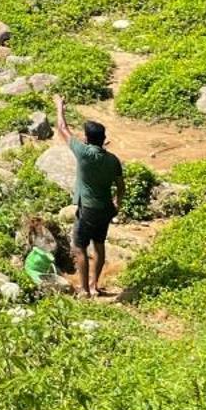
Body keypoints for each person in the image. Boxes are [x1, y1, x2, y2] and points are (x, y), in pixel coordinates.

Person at [54, 94, 124, 298]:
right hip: (105, 209)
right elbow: (121, 185)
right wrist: (117, 204)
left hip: (87, 210)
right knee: (99, 246)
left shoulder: (83, 153)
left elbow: (62, 128)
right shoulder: (113, 160)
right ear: (103, 140)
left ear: (86, 138)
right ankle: (95, 285)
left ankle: (84, 290)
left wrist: (60, 106)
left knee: (79, 248)